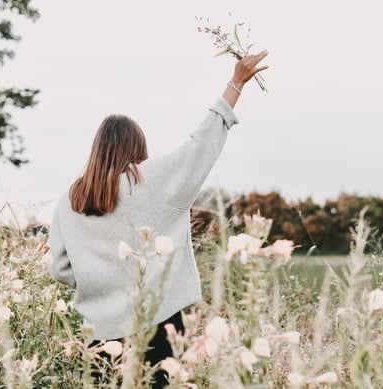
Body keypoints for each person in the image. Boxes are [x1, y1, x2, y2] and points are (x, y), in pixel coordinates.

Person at [47, 51, 269, 387]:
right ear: (137, 148)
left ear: (97, 149)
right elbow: (200, 146)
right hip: (159, 330)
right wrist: (235, 84)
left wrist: (102, 279)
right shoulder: (152, 181)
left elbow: (60, 268)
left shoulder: (70, 199)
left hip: (98, 337)